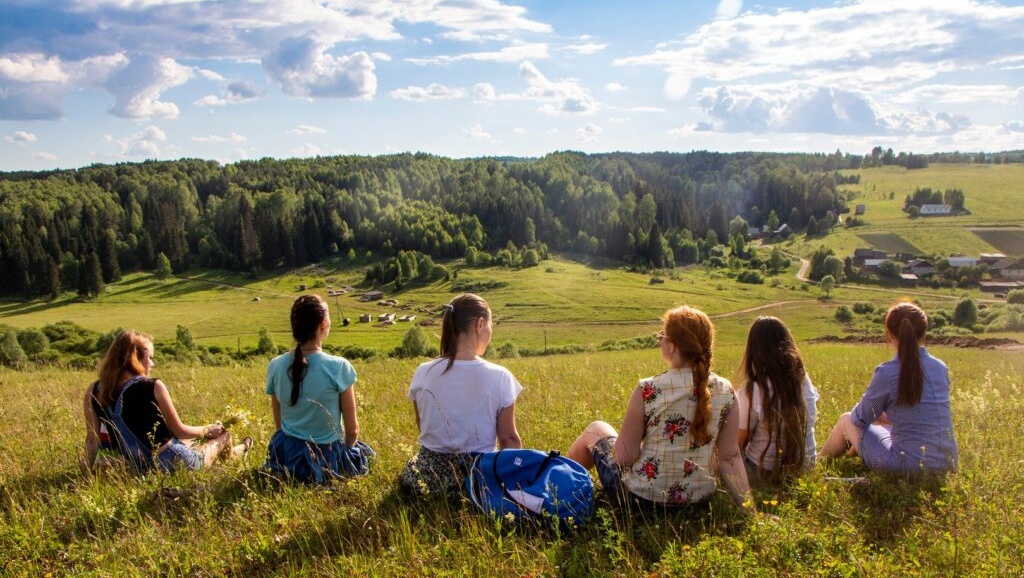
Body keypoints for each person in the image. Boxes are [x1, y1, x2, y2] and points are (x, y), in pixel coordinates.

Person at [567, 306, 753, 512]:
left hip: (641, 502)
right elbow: (730, 457)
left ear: (672, 346)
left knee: (596, 428)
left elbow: (624, 458)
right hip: (698, 503)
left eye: (662, 335)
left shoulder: (648, 389)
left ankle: (558, 490)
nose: (660, 340)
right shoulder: (727, 391)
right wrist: (751, 512)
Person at [399, 293, 523, 497]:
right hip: (477, 477)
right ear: (480, 324)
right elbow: (509, 439)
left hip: (428, 476)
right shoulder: (500, 376)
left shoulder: (423, 371)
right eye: (491, 325)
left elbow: (424, 425)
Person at [818, 302, 958, 473]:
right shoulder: (940, 367)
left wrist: (876, 414)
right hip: (947, 464)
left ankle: (818, 464)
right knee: (881, 422)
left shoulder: (887, 372)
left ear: (890, 334)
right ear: (924, 332)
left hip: (906, 467)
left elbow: (860, 418)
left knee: (846, 419)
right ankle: (848, 459)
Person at [82, 330, 249, 474]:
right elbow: (180, 430)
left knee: (190, 442)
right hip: (174, 462)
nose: (152, 364)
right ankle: (235, 456)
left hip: (137, 467)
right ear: (136, 358)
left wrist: (87, 473)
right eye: (150, 358)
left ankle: (238, 451)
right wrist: (208, 429)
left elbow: (92, 440)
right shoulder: (152, 386)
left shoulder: (94, 390)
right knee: (224, 434)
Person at [264, 294, 374, 484]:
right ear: (323, 323)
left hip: (287, 454)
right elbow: (352, 431)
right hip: (326, 456)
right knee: (367, 454)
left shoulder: (275, 365)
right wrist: (345, 452)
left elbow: (279, 425)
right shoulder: (339, 366)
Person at [736, 316, 819, 483]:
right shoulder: (803, 379)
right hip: (806, 466)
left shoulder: (754, 389)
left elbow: (738, 443)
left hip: (764, 470)